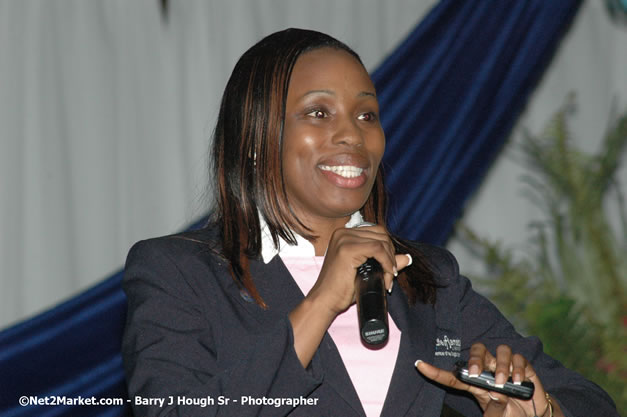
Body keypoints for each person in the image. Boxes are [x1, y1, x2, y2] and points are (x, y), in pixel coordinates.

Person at [121, 28, 620, 417]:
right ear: (255, 138)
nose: (352, 136)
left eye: (367, 116)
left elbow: (588, 400)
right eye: (318, 112)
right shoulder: (179, 272)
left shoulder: (426, 277)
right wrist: (320, 302)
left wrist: (540, 408)